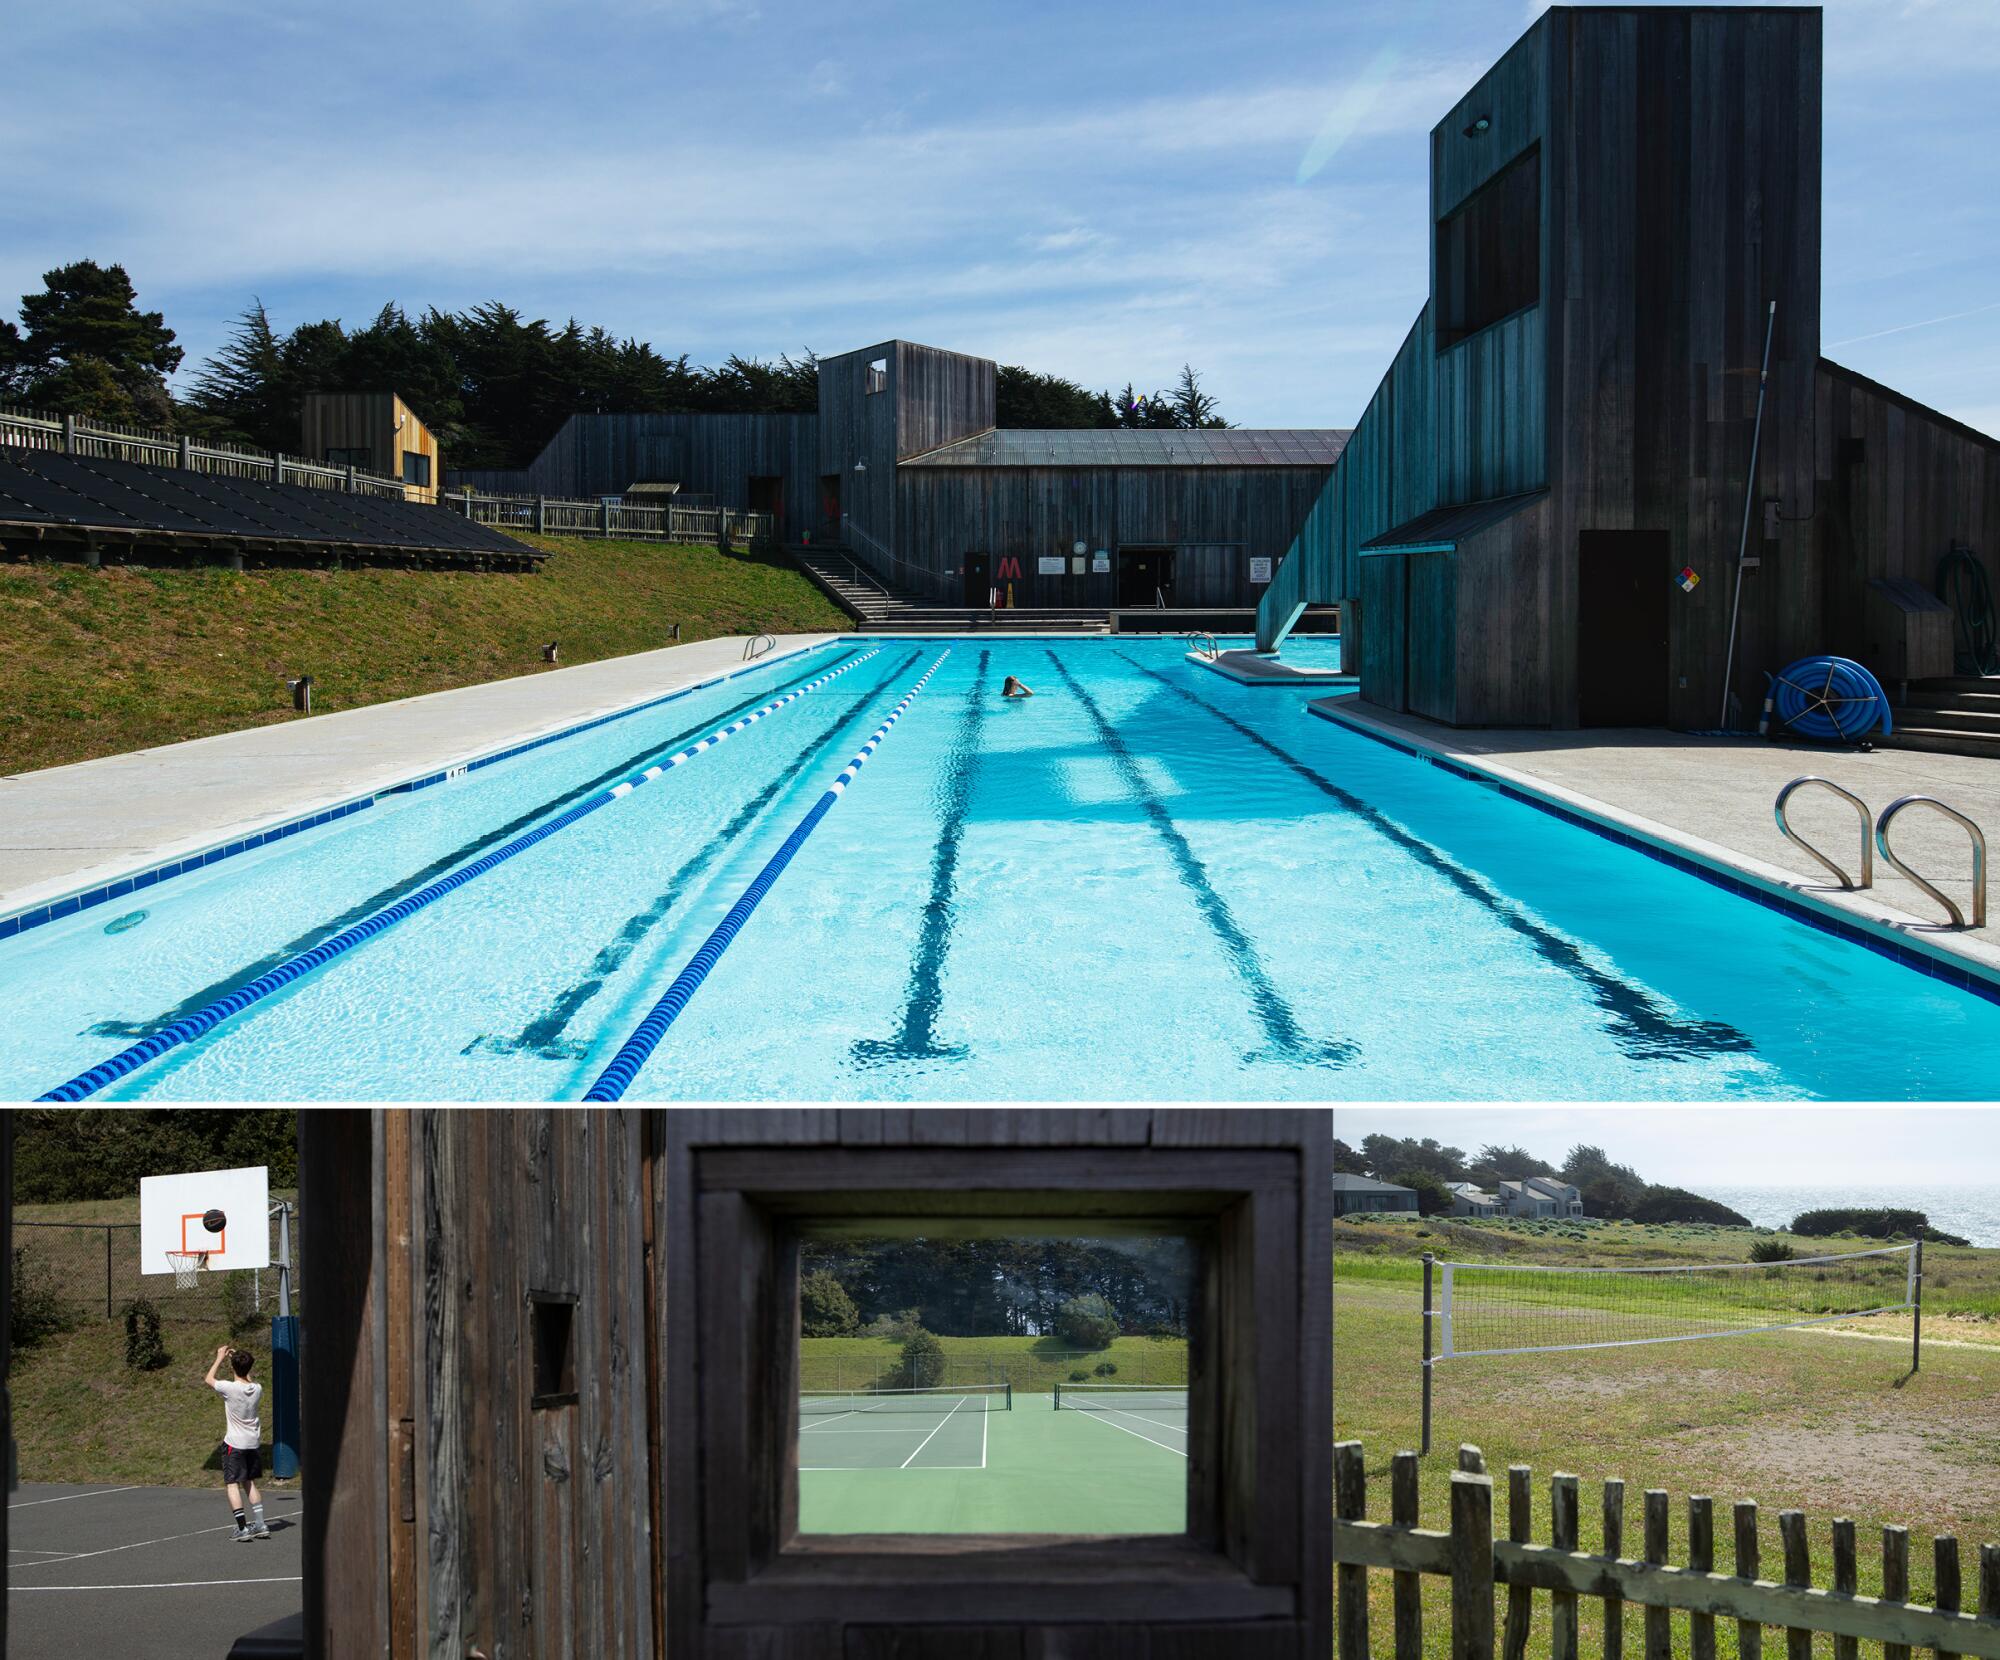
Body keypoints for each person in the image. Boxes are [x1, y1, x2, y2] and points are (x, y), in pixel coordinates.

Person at [204, 1343, 269, 1541]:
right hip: (253, 1443)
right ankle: (260, 1524)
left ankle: (242, 1529)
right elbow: (246, 1378)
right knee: (249, 1483)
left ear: (233, 1368)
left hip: (235, 1443)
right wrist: (239, 1363)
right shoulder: (256, 1388)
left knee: (232, 1484)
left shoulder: (229, 1388)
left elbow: (208, 1379)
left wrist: (220, 1357)